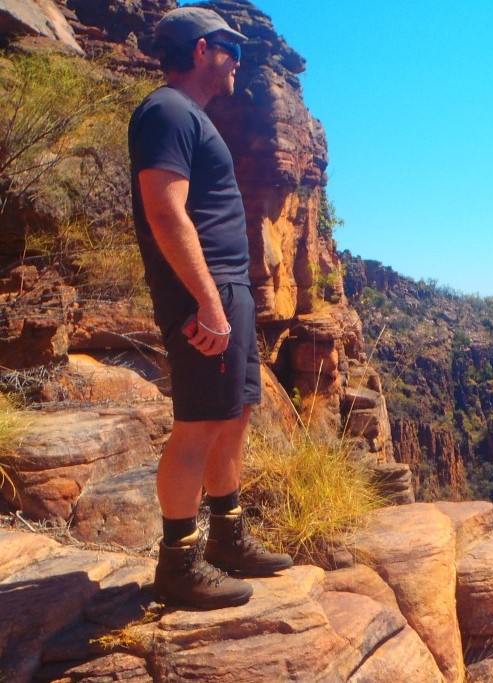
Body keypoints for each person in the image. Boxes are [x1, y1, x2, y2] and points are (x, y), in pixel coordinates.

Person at [129, 6, 292, 609]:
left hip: (228, 291)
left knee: (234, 414)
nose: (239, 59)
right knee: (197, 425)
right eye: (231, 47)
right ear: (201, 50)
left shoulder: (190, 117)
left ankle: (227, 538)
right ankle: (178, 564)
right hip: (207, 296)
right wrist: (208, 303)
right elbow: (165, 212)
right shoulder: (167, 111)